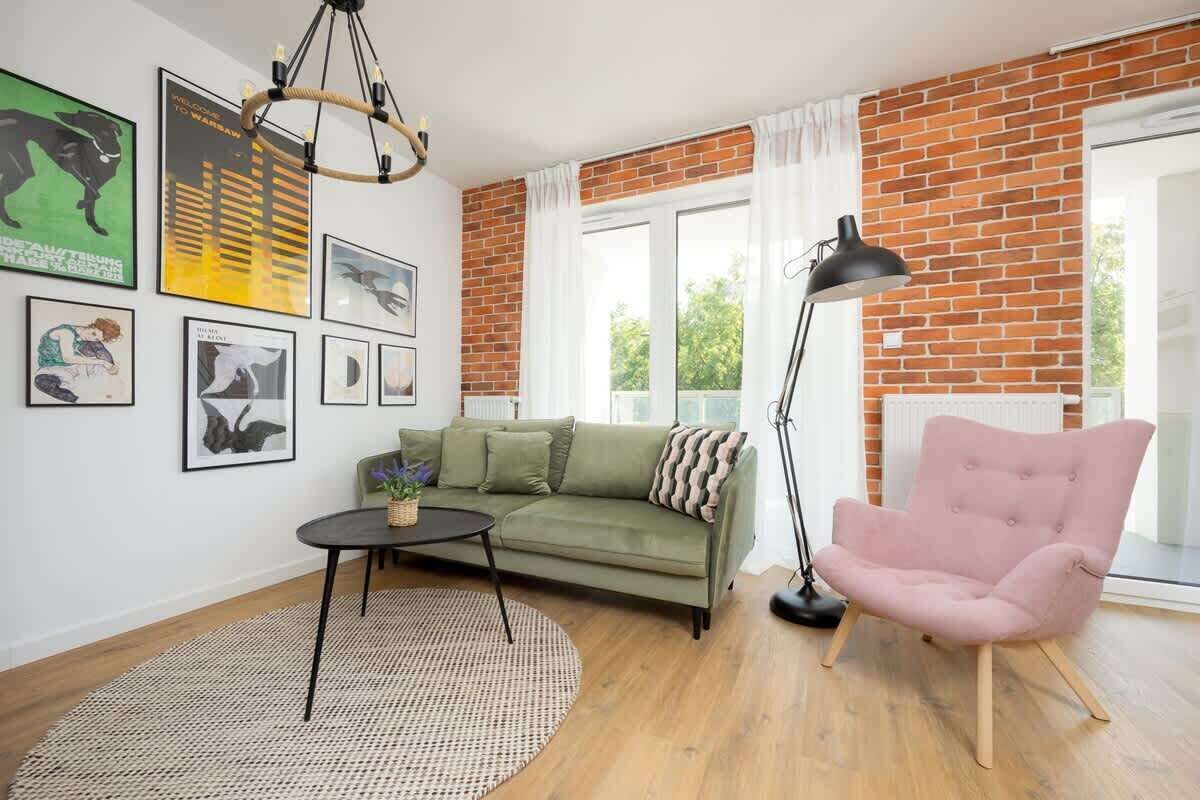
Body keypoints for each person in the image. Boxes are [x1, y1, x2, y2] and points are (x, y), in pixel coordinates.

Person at [34, 317, 121, 403]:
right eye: (93, 333)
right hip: (52, 366)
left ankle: (103, 393)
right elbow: (68, 358)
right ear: (92, 326)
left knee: (98, 351)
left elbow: (101, 351)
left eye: (97, 338)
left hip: (73, 367)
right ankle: (77, 399)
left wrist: (111, 367)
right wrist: (102, 362)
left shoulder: (86, 335)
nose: (91, 337)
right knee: (45, 382)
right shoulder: (66, 332)